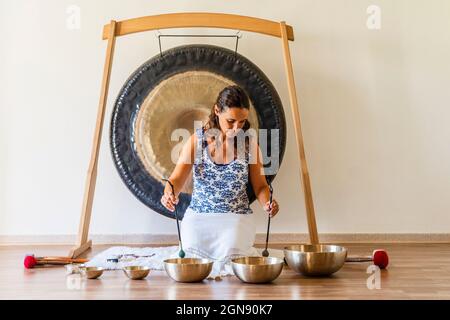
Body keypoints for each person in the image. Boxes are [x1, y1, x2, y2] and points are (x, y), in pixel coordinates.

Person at [160, 85, 279, 274]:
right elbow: (175, 180)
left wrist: (268, 203)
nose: (236, 128)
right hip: (199, 216)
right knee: (192, 251)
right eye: (231, 121)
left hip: (236, 217)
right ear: (217, 111)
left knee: (232, 251)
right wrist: (168, 194)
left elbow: (261, 186)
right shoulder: (196, 141)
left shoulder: (250, 145)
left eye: (242, 122)